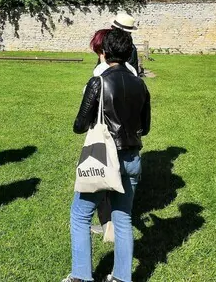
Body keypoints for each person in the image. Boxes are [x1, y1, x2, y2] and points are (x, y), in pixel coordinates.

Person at [64, 28, 151, 282]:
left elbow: (79, 124)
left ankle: (81, 275)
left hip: (105, 158)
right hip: (132, 157)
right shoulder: (140, 84)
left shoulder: (98, 82)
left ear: (105, 51)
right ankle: (122, 277)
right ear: (128, 52)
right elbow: (145, 127)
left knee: (80, 214)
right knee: (123, 217)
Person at [88, 28, 138, 243]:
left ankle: (107, 226)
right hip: (131, 145)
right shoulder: (135, 76)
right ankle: (121, 273)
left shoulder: (99, 75)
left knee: (96, 192)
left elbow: (85, 119)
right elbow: (144, 125)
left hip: (106, 142)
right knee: (124, 209)